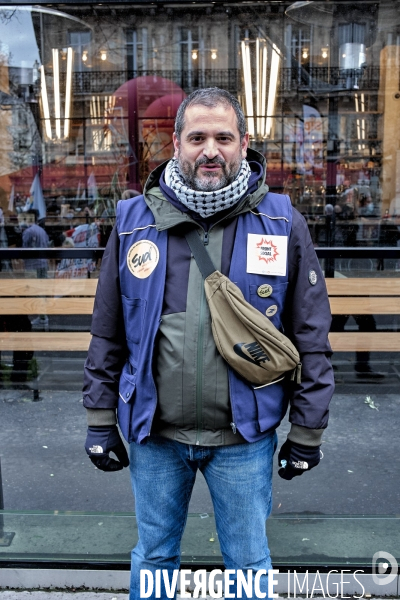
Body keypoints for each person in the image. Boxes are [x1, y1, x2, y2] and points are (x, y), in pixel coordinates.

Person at [83, 88, 334, 600]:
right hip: (155, 435)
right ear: (175, 144)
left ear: (244, 143)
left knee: (247, 563)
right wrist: (99, 420)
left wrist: (307, 431)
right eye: (197, 137)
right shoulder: (134, 221)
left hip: (244, 438)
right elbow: (109, 329)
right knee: (154, 558)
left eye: (223, 137)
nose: (210, 150)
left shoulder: (282, 221)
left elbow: (311, 334)